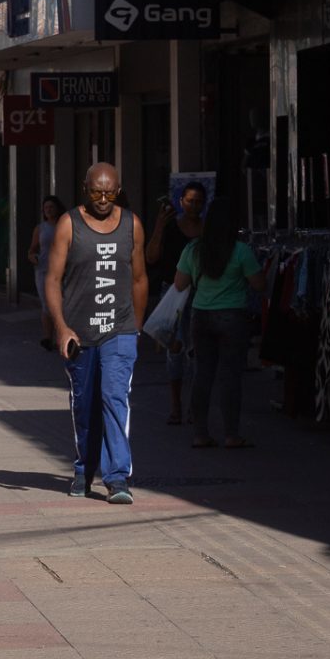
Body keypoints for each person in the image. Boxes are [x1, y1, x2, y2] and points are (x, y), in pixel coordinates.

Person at [43, 163, 149, 504]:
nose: (103, 199)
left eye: (110, 192)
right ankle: (83, 470)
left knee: (114, 398)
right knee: (84, 404)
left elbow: (139, 279)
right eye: (96, 192)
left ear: (118, 190)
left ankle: (117, 477)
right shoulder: (68, 225)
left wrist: (136, 327)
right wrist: (61, 328)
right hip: (80, 332)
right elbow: (52, 280)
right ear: (85, 188)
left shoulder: (132, 225)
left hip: (119, 330)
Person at [174, 204, 265, 448]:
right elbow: (258, 284)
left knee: (202, 375)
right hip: (233, 317)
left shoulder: (193, 250)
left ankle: (200, 433)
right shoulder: (241, 251)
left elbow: (180, 284)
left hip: (201, 316)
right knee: (230, 377)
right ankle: (231, 434)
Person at [147, 181, 206, 424]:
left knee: (197, 351)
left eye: (199, 201)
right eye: (190, 201)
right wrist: (160, 226)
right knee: (175, 348)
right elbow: (151, 257)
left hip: (202, 293)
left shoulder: (207, 229)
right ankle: (175, 404)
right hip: (172, 291)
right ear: (181, 202)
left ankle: (194, 404)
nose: (194, 206)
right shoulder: (170, 227)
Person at [27, 196, 64, 351]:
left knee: (62, 304)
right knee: (47, 305)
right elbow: (32, 249)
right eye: (46, 208)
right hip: (44, 270)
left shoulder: (65, 225)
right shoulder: (40, 228)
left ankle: (59, 337)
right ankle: (48, 337)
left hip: (63, 271)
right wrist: (32, 257)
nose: (48, 210)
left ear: (58, 208)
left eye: (51, 207)